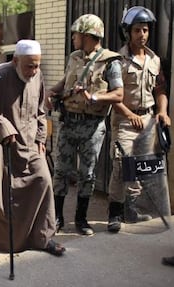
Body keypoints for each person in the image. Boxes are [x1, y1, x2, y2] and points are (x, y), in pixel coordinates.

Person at [0, 39, 65, 257]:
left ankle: (43, 237)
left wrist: (41, 138)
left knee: (44, 181)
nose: (33, 70)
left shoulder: (37, 76)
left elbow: (40, 110)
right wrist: (4, 127)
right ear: (16, 61)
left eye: (37, 65)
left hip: (30, 143)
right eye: (29, 66)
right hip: (0, 144)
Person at [46, 14, 124, 235]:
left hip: (92, 125)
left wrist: (95, 98)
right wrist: (52, 91)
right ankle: (58, 218)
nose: (73, 37)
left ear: (88, 35)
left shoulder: (111, 62)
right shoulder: (74, 57)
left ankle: (81, 219)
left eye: (76, 34)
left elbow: (118, 94)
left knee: (87, 174)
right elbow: (65, 82)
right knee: (60, 171)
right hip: (69, 122)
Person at [107, 6, 171, 233]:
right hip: (125, 119)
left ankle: (131, 210)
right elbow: (114, 97)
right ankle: (115, 212)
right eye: (137, 30)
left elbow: (160, 89)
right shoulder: (118, 61)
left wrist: (162, 111)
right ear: (128, 32)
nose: (142, 34)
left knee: (142, 167)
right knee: (122, 164)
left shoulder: (154, 60)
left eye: (145, 30)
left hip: (148, 120)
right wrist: (130, 114)